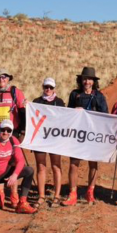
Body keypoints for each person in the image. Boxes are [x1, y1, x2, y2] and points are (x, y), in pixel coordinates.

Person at [63, 66, 109, 206]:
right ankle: (73, 194)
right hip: (77, 134)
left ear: (94, 81)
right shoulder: (74, 94)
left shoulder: (99, 96)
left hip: (93, 135)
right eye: (85, 79)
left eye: (89, 79)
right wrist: (75, 111)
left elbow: (105, 115)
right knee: (73, 164)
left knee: (93, 163)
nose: (87, 81)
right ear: (81, 80)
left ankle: (90, 192)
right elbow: (68, 114)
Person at [31, 77, 66, 206]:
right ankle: (41, 196)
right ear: (43, 87)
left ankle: (56, 196)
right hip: (40, 139)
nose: (48, 90)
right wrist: (25, 107)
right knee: (41, 166)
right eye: (46, 87)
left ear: (54, 88)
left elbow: (65, 119)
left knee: (56, 166)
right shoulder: (36, 102)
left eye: (51, 87)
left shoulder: (60, 102)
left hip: (55, 139)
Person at [0, 68, 27, 139]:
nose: (1, 79)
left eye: (3, 77)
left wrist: (22, 131)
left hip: (12, 133)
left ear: (8, 79)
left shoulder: (16, 92)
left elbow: (22, 112)